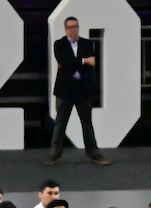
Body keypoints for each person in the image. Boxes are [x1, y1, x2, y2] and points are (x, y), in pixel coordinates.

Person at [47, 16, 110, 166]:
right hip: (65, 90)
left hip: (82, 90)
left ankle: (94, 153)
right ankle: (53, 154)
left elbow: (91, 64)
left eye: (75, 26)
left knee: (87, 123)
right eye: (70, 27)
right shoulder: (59, 44)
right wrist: (83, 61)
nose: (73, 30)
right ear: (65, 29)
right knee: (60, 123)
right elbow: (64, 61)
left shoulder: (87, 44)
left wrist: (72, 64)